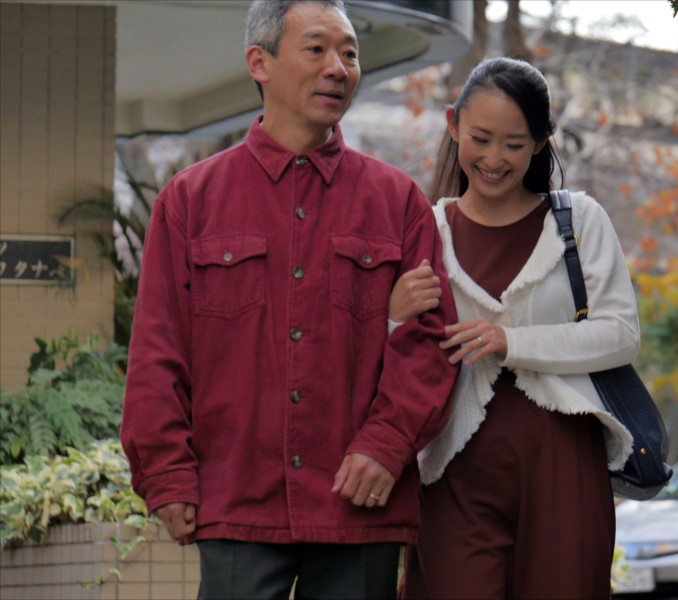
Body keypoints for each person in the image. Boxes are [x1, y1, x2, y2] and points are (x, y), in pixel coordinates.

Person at [120, 1, 459, 598]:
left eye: (350, 54)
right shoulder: (190, 201)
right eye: (317, 49)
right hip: (237, 501)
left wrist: (386, 447)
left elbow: (429, 345)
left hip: (361, 503)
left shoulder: (398, 202)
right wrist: (166, 473)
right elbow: (157, 349)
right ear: (260, 63)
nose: (338, 68)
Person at [390, 57, 640, 599]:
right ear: (453, 125)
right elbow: (397, 355)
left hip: (564, 466)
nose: (494, 159)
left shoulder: (579, 220)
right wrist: (392, 313)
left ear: (542, 142)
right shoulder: (427, 229)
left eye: (514, 144)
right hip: (454, 472)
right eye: (480, 138)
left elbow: (621, 333)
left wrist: (510, 341)